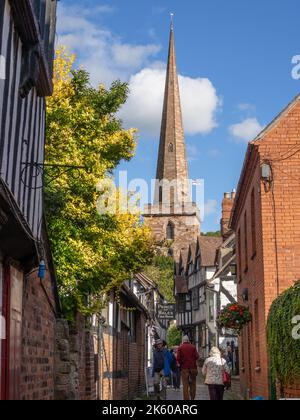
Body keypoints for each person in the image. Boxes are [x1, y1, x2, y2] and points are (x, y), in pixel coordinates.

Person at [176, 335, 199, 400]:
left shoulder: (180, 348)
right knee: (193, 384)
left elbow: (178, 358)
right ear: (188, 340)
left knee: (185, 385)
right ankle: (192, 397)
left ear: (183, 341)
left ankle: (186, 398)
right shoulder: (193, 347)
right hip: (193, 368)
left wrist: (181, 363)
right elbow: (197, 356)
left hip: (184, 368)